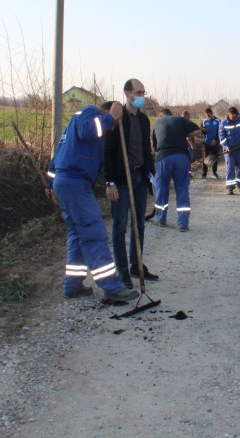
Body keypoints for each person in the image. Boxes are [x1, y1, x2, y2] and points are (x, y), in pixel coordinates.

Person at [47, 100, 138, 303]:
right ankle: (111, 287)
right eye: (114, 123)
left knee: (77, 236)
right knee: (94, 233)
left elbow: (56, 159)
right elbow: (89, 129)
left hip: (66, 183)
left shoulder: (82, 137)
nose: (112, 127)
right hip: (75, 184)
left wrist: (51, 184)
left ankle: (73, 284)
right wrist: (111, 116)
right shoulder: (88, 113)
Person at [104, 78, 158, 289]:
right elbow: (107, 152)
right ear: (127, 93)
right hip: (121, 179)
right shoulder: (117, 118)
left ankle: (136, 265)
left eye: (143, 92)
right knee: (120, 226)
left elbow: (146, 149)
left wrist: (151, 175)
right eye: (138, 92)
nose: (141, 96)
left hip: (138, 178)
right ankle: (123, 270)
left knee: (139, 224)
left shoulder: (144, 120)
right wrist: (109, 181)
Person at [152, 108, 201, 231]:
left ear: (160, 115)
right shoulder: (181, 120)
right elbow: (197, 130)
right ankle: (183, 224)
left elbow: (154, 148)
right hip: (181, 157)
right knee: (182, 188)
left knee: (162, 188)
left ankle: (161, 219)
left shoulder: (156, 123)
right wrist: (184, 134)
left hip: (164, 157)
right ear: (170, 114)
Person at [218, 106, 240, 195]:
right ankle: (230, 188)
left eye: (236, 116)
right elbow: (221, 137)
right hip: (229, 150)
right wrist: (226, 146)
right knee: (230, 166)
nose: (235, 117)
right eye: (233, 116)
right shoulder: (223, 124)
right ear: (228, 114)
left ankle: (238, 183)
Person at [200, 107, 221, 178]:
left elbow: (220, 132)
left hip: (215, 142)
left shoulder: (218, 121)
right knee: (205, 158)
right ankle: (204, 172)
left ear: (212, 113)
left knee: (215, 157)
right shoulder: (204, 121)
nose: (208, 116)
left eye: (209, 114)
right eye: (206, 115)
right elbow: (201, 131)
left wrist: (216, 140)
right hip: (206, 143)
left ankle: (214, 172)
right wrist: (203, 131)